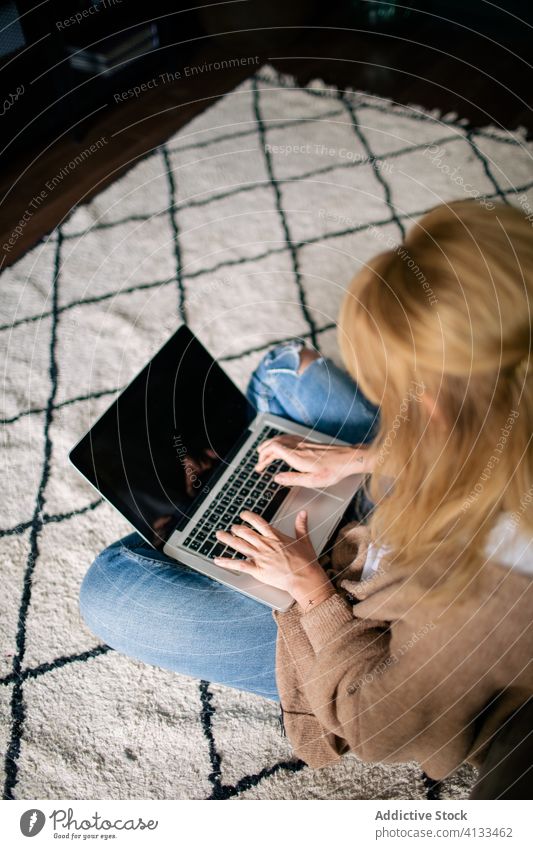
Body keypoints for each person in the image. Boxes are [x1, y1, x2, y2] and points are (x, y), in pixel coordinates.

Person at [80, 200, 533, 781]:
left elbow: (378, 725)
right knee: (287, 369)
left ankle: (218, 534)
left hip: (357, 618)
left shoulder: (495, 599)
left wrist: (308, 590)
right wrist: (365, 457)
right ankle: (233, 503)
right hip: (397, 520)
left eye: (399, 392)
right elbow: (484, 449)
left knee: (115, 584)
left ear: (434, 403)